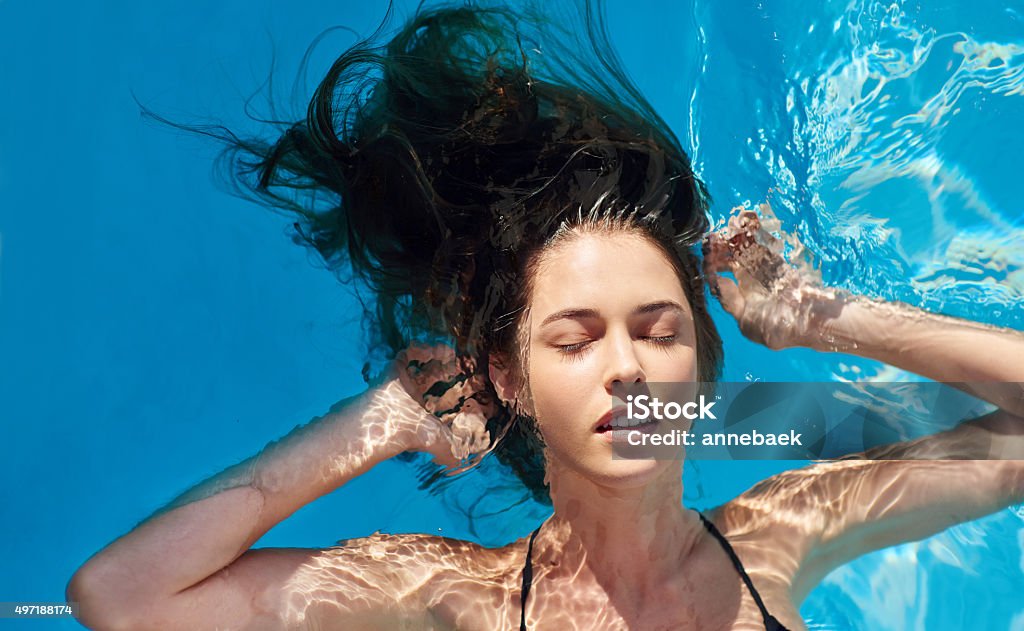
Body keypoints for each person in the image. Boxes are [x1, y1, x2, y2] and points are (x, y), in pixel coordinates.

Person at [67, 3, 1024, 629]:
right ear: (510, 376)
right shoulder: (454, 600)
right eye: (575, 338)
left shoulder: (787, 525)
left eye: (659, 331)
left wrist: (827, 318)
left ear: (700, 363)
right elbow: (125, 596)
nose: (628, 369)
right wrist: (377, 426)